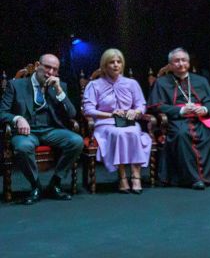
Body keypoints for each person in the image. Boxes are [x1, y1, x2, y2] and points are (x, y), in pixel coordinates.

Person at [0, 54, 83, 204]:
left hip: (51, 130)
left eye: (55, 69)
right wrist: (17, 119)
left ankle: (56, 182)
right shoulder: (16, 85)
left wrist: (58, 90)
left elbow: (72, 113)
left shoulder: (60, 86)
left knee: (76, 141)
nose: (50, 72)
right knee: (23, 146)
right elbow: (2, 112)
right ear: (38, 65)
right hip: (26, 132)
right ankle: (35, 185)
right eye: (47, 67)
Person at [149, 48, 210, 189]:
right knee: (181, 135)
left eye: (184, 60)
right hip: (177, 119)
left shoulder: (201, 80)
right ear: (170, 65)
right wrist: (180, 110)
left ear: (188, 62)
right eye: (176, 61)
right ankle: (193, 178)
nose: (181, 64)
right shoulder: (162, 82)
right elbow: (156, 106)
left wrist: (204, 109)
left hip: (201, 118)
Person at [82, 48, 150, 194]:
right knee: (117, 134)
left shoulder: (132, 84)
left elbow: (141, 105)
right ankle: (122, 177)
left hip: (128, 121)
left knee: (133, 132)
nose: (116, 65)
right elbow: (88, 110)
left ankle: (136, 176)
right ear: (104, 66)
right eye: (111, 62)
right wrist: (110, 115)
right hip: (105, 124)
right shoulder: (94, 85)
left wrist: (136, 111)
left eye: (119, 62)